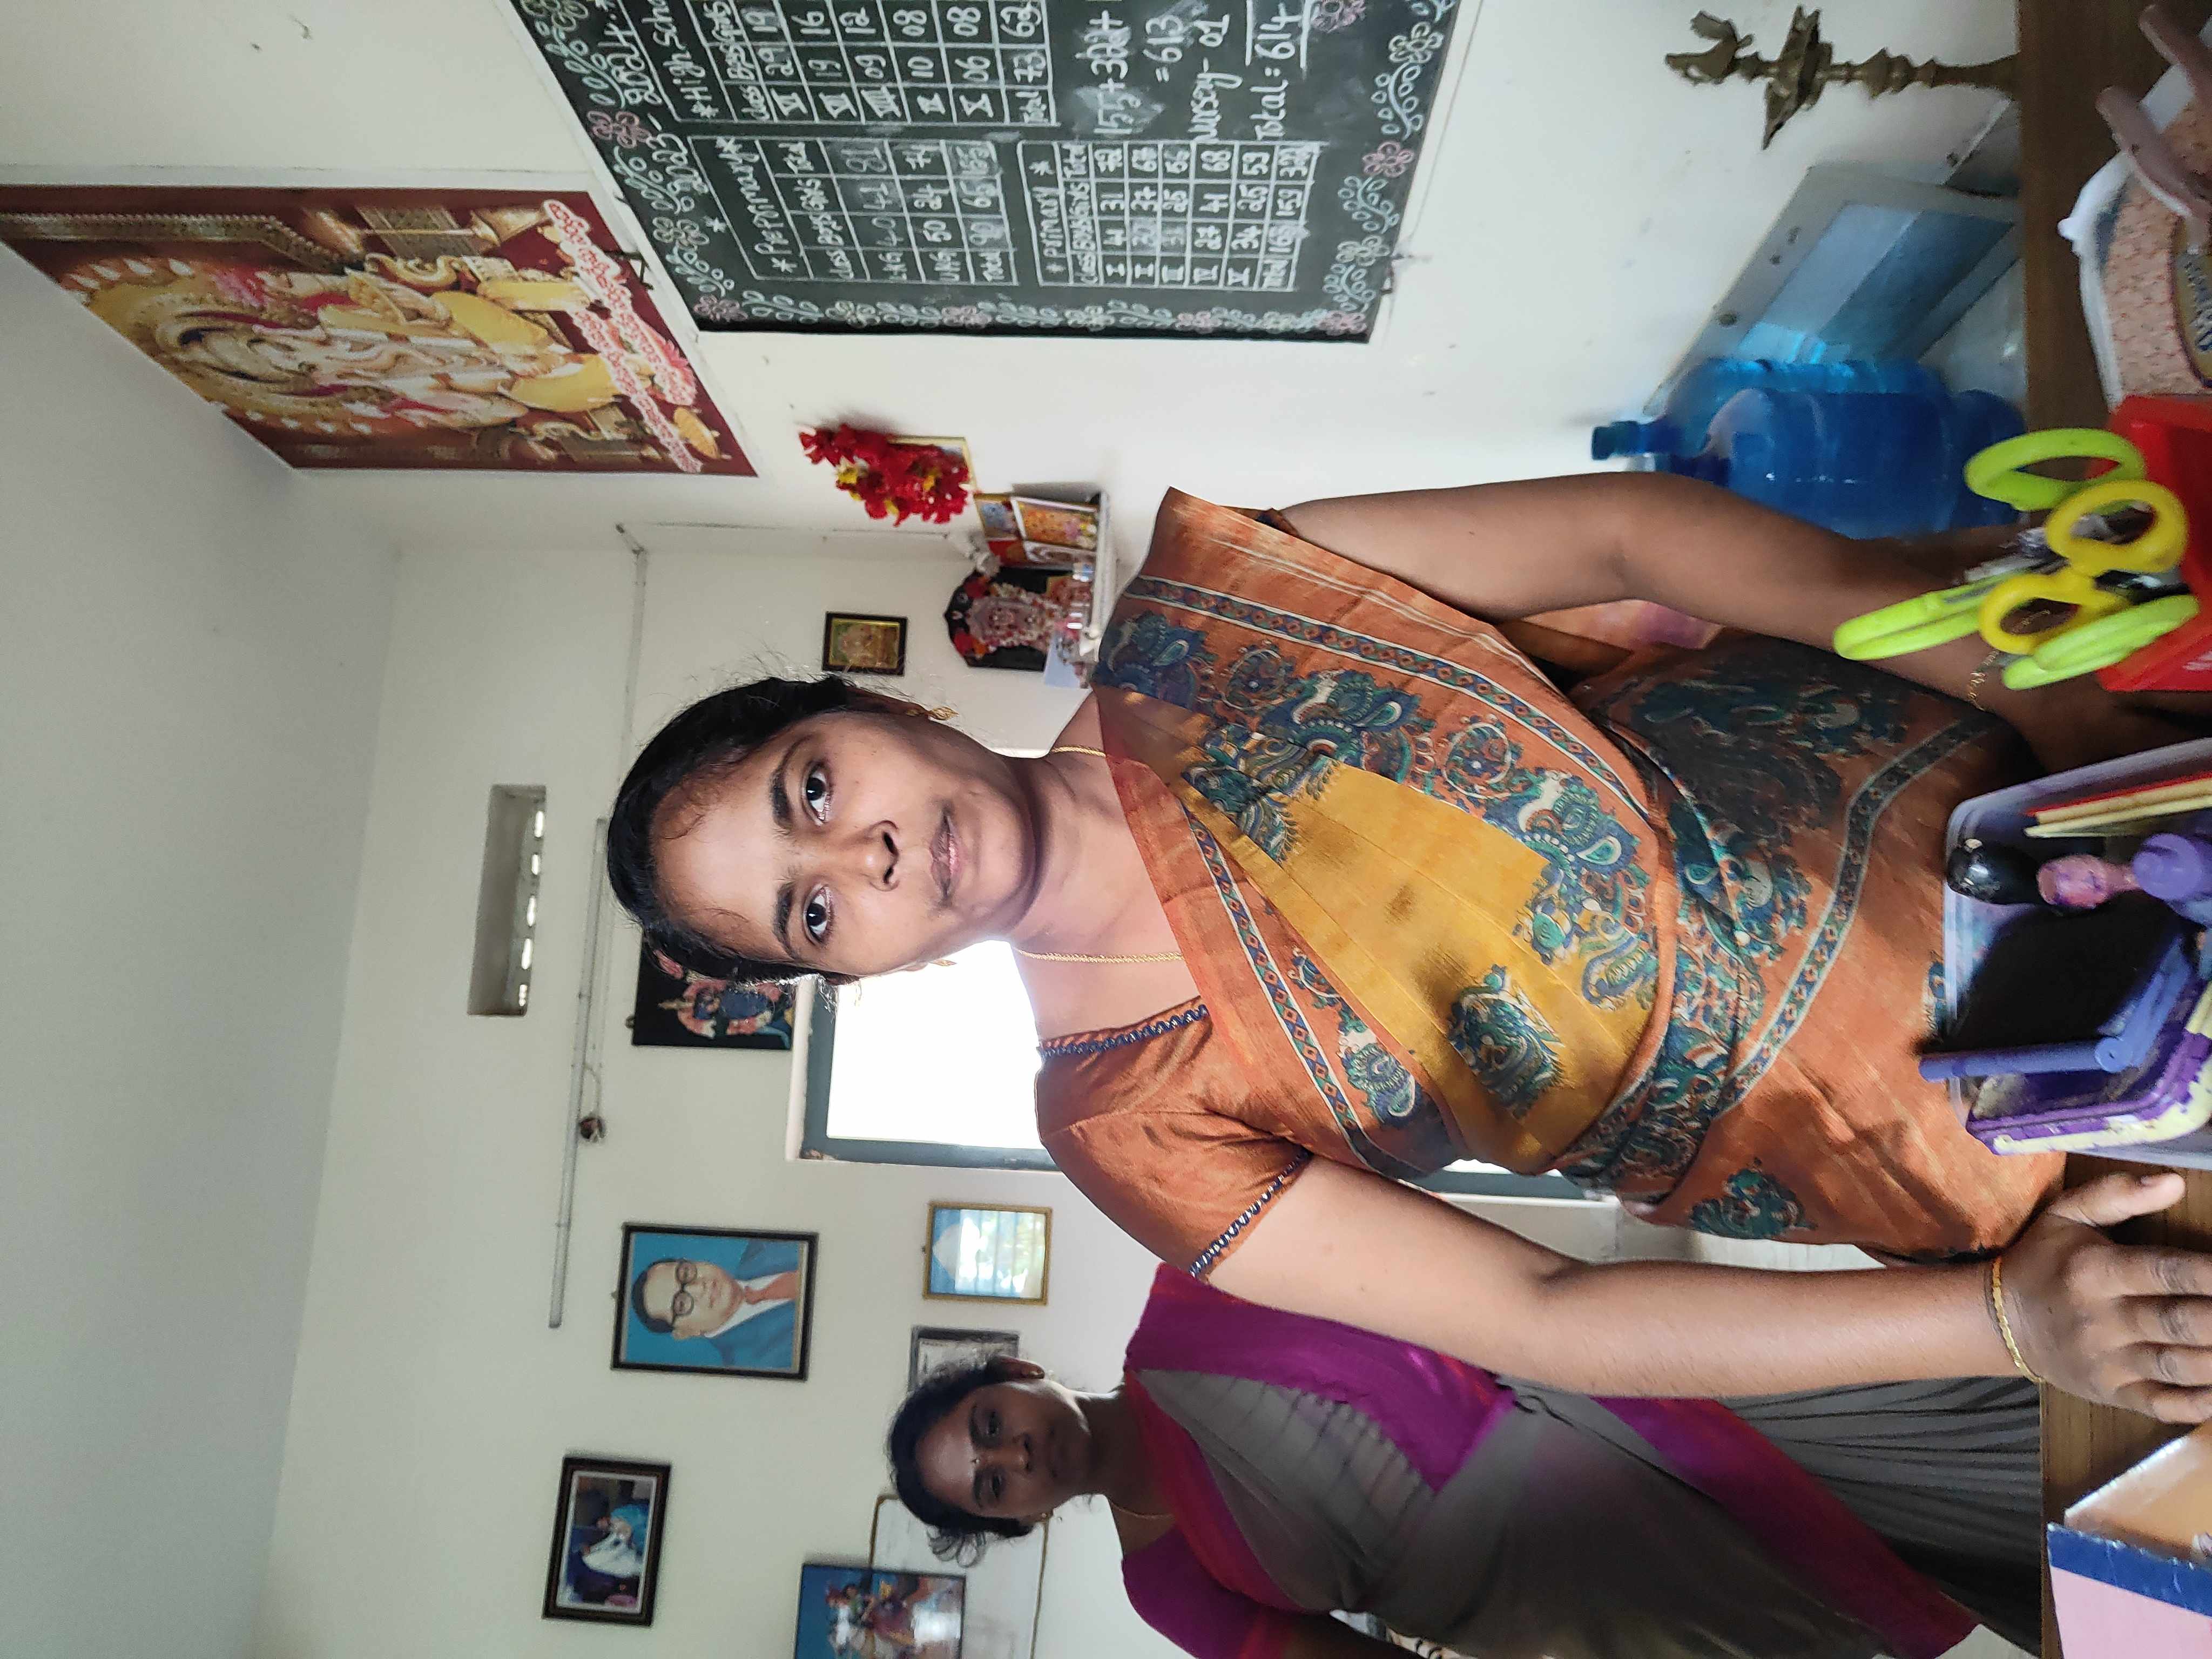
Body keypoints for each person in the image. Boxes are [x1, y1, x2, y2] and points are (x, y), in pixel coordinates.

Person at [607, 473, 2212, 1419]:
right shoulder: (1123, 1114)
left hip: (2059, 787)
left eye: (811, 788)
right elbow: (1543, 1316)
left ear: (877, 704)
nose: (866, 854)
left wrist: (2031, 680)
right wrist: (2013, 1321)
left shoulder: (1218, 606)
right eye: (813, 909)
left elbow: (1625, 537)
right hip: (2037, 1140)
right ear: (862, 974)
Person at [889, 1265, 2043, 1658]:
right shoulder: (1165, 1582)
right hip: (1579, 1611)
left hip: (1632, 1397)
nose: (1016, 1454)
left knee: (1947, 1452)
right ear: (1019, 1520)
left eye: (989, 1423)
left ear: (1016, 1373)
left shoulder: (1193, 1290)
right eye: (992, 1487)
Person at [629, 1240, 802, 1371]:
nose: (699, 1287)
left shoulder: (766, 1243)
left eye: (685, 1273)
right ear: (686, 1333)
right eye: (681, 1304)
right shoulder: (755, 1368)